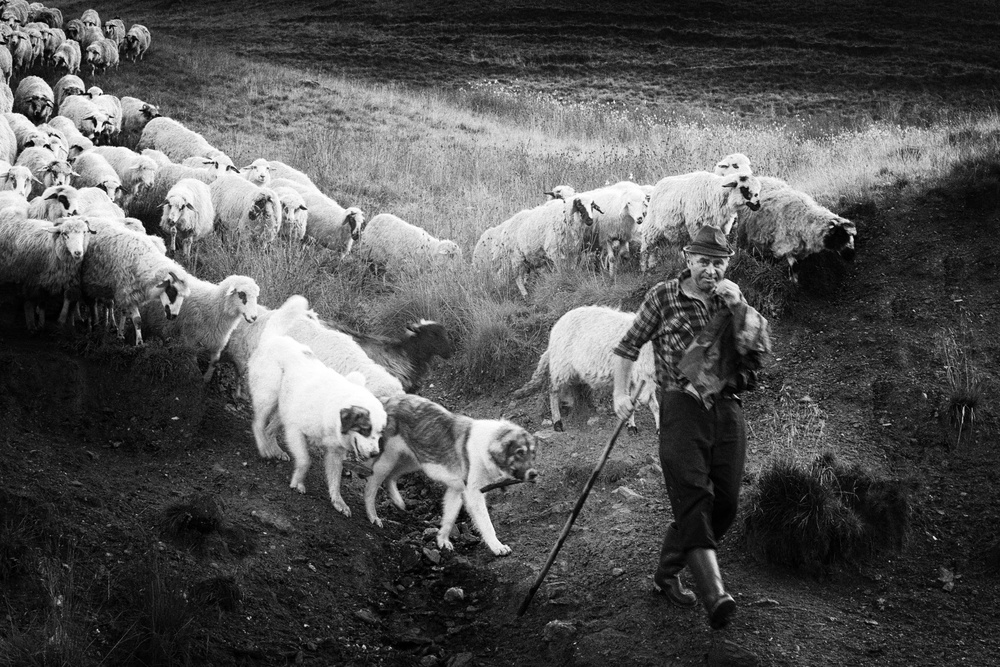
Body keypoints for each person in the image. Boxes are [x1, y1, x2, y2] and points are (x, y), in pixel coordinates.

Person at [611, 225, 770, 630]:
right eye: (703, 262)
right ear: (688, 260)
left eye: (718, 263)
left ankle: (667, 571)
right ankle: (714, 595)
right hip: (680, 405)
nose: (711, 271)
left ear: (726, 265)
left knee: (727, 502)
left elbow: (751, 348)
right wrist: (619, 393)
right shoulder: (663, 296)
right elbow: (627, 346)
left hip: (728, 406)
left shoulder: (731, 298)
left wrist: (739, 309)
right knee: (693, 496)